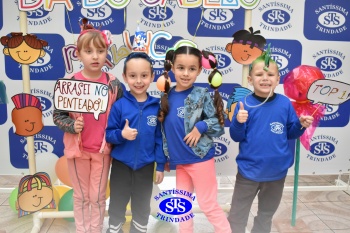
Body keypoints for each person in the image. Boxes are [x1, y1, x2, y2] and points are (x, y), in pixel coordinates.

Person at [227, 52, 314, 233]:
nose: (265, 79)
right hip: (248, 172)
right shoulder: (244, 103)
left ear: (277, 79)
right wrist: (238, 122)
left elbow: (290, 133)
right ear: (250, 79)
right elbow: (236, 136)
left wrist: (300, 125)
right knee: (237, 216)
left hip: (276, 174)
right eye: (259, 75)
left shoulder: (284, 103)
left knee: (266, 215)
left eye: (270, 75)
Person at [53, 20, 123, 233]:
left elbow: (121, 114)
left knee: (98, 196)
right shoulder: (70, 82)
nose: (95, 56)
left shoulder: (113, 83)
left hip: (102, 152)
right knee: (81, 196)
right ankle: (82, 230)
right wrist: (72, 125)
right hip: (77, 151)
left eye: (100, 51)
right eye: (89, 51)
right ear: (79, 54)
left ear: (106, 53)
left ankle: (95, 230)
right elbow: (58, 116)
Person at [158, 46, 231, 233]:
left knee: (207, 204)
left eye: (192, 69)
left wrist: (201, 127)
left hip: (200, 159)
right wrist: (166, 157)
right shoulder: (166, 96)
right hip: (180, 163)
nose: (185, 73)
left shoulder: (202, 94)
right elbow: (164, 131)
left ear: (199, 70)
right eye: (181, 67)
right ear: (172, 68)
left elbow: (218, 124)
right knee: (183, 207)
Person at [105, 52, 166, 233]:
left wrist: (160, 165)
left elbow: (160, 138)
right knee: (117, 202)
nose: (138, 81)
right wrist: (121, 134)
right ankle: (114, 229)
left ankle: (139, 230)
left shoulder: (157, 106)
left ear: (152, 76)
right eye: (132, 76)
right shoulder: (119, 106)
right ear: (125, 77)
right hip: (121, 165)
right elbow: (109, 135)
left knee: (142, 204)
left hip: (146, 166)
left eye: (144, 75)